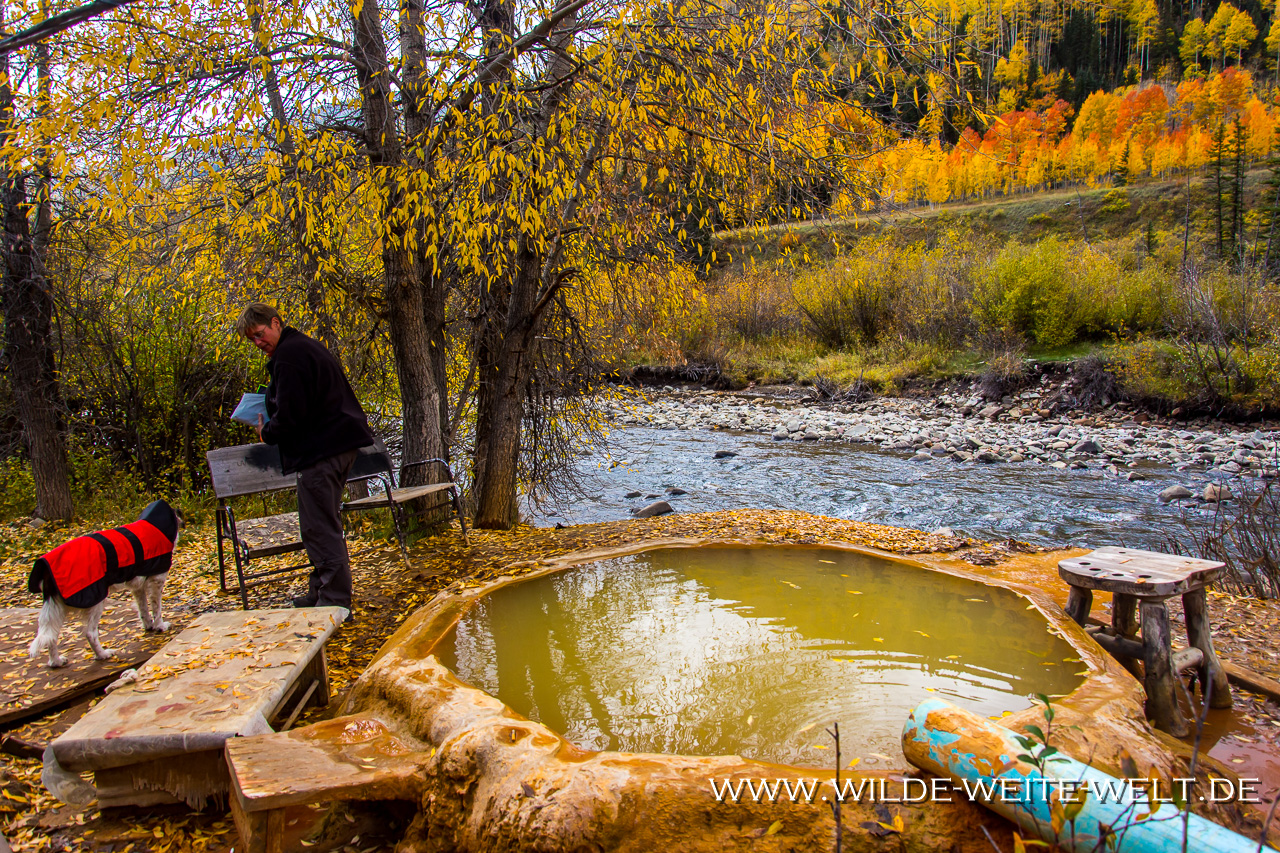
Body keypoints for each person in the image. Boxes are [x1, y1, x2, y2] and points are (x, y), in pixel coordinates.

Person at [235, 303, 373, 613]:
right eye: (252, 340)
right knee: (318, 524)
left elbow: (292, 415)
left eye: (260, 334)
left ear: (275, 323)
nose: (258, 343)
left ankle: (335, 603)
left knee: (320, 528)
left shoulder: (290, 356)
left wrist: (266, 432)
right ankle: (320, 590)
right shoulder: (303, 347)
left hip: (322, 451)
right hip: (335, 446)